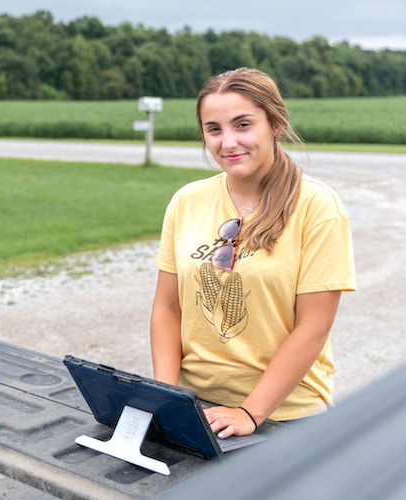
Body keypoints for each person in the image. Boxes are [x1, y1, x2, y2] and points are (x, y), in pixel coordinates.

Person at [150, 67, 356, 439]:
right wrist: (166, 396)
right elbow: (168, 308)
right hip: (195, 405)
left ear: (275, 123)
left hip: (284, 415)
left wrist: (250, 411)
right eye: (214, 129)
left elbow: (313, 326)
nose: (227, 142)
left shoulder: (317, 206)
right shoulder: (187, 201)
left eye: (242, 125)